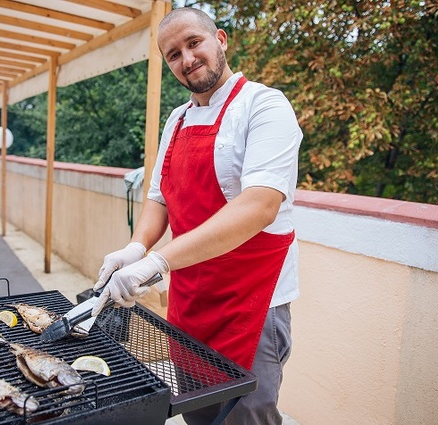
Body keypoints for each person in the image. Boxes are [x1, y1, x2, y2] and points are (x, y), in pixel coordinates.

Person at [92, 7, 302, 425]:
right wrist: (137, 247)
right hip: (190, 301)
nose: (186, 60)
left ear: (220, 39)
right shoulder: (178, 118)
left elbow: (259, 205)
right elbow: (159, 198)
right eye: (173, 54)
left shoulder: (264, 105)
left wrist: (158, 261)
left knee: (244, 417)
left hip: (251, 306)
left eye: (194, 44)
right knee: (197, 412)